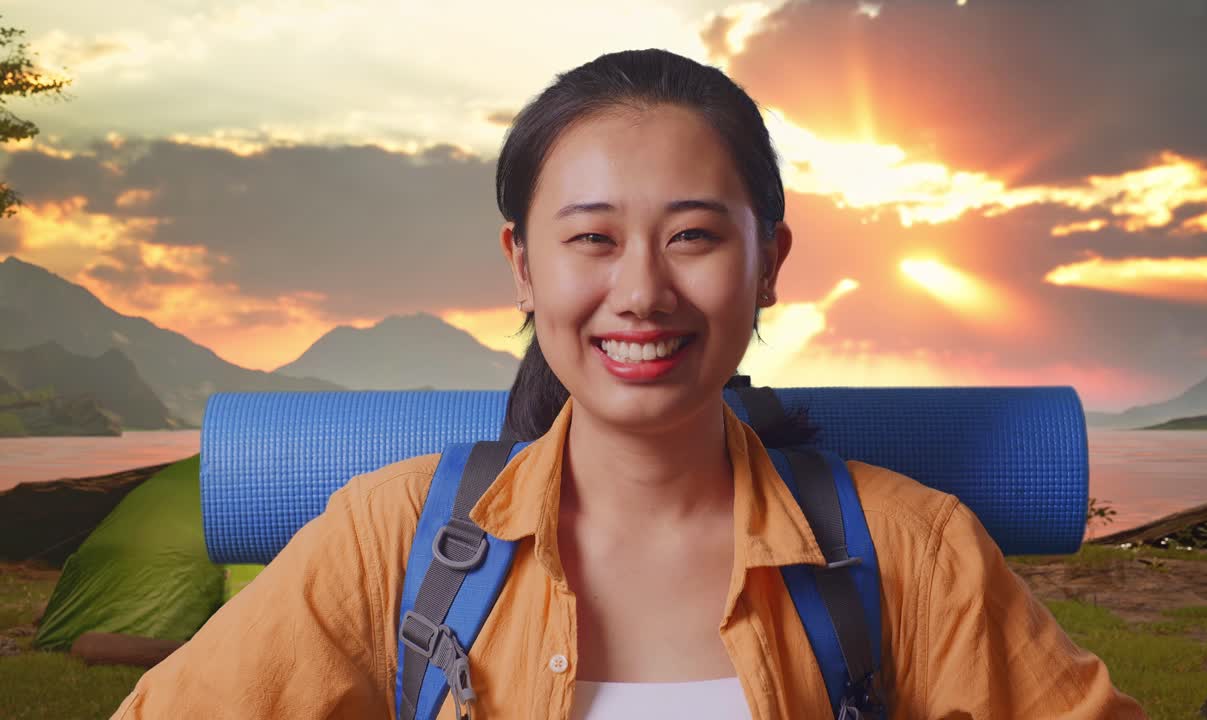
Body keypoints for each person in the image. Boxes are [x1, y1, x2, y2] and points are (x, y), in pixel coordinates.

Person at [110, 48, 1147, 719]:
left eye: (692, 236)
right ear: (522, 265)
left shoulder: (911, 555)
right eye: (592, 240)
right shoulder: (392, 544)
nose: (641, 291)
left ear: (770, 262)